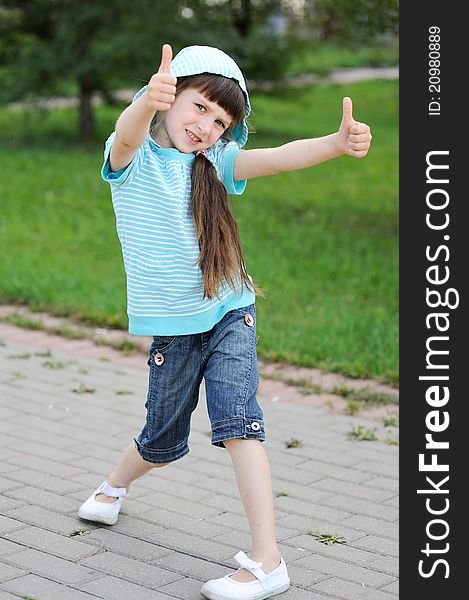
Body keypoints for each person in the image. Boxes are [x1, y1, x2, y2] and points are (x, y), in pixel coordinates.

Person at [78, 43, 372, 599]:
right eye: (198, 107)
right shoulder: (133, 158)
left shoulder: (215, 164)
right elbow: (124, 135)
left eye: (222, 120)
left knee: (239, 422)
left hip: (230, 311)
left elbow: (281, 157)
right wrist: (146, 102)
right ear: (167, 98)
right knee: (162, 434)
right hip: (175, 326)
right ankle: (115, 486)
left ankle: (268, 560)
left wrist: (335, 144)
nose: (207, 126)